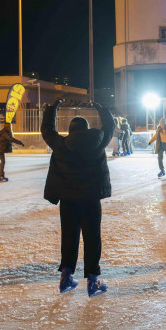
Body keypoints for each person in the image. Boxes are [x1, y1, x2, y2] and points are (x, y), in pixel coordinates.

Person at [41, 99, 114, 297]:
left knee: (69, 237)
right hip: (90, 199)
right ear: (87, 129)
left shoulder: (61, 145)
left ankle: (65, 277)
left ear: (70, 130)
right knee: (92, 239)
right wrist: (100, 106)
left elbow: (46, 130)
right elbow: (110, 126)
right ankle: (92, 281)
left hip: (68, 200)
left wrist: (53, 107)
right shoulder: (99, 141)